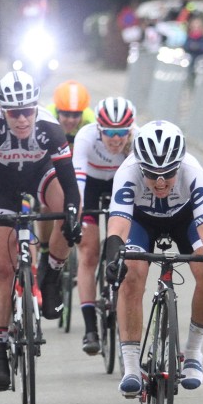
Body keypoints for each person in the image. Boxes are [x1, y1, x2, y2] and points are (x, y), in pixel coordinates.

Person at [0, 70, 81, 389]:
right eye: (14, 113)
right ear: (3, 111)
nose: (21, 119)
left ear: (36, 107)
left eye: (27, 111)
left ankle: (52, 272)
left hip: (38, 174)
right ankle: (0, 352)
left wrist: (71, 216)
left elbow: (70, 182)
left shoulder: (49, 127)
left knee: (68, 206)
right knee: (3, 268)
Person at [103, 121, 203, 395]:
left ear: (179, 164)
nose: (160, 182)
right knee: (131, 274)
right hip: (141, 221)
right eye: (151, 174)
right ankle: (131, 366)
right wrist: (112, 258)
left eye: (168, 174)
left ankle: (194, 351)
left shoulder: (192, 170)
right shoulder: (127, 172)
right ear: (140, 166)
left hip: (183, 220)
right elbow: (118, 227)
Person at [72, 96, 136, 353]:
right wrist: (74, 215)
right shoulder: (85, 137)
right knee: (88, 253)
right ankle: (90, 329)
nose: (115, 139)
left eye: (121, 132)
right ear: (99, 128)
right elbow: (77, 181)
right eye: (109, 132)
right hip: (91, 185)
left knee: (126, 250)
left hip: (121, 184)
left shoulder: (138, 140)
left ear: (130, 129)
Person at [46, 80, 96, 145]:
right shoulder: (47, 118)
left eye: (76, 115)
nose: (71, 120)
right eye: (66, 114)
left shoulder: (90, 121)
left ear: (82, 113)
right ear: (57, 110)